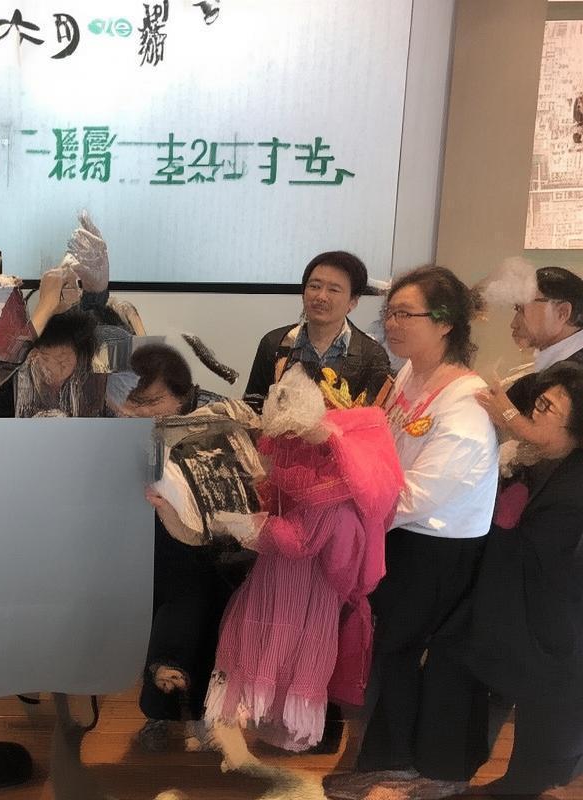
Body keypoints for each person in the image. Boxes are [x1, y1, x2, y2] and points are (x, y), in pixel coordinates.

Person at [324, 266, 499, 799]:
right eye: (390, 313)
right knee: (388, 648)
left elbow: (419, 494)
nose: (392, 324)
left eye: (406, 314)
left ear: (445, 323)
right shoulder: (410, 374)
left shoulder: (464, 405)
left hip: (436, 546)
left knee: (403, 650)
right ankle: (388, 757)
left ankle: (405, 764)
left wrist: (342, 506)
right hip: (397, 531)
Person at [393, 361, 583, 799]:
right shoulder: (538, 460)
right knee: (453, 660)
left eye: (546, 407)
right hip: (508, 604)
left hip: (548, 627)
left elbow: (538, 550)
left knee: (543, 738)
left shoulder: (573, 486)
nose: (532, 413)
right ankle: (448, 772)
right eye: (536, 403)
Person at [202, 369, 402, 754]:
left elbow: (299, 540)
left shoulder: (332, 486)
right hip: (288, 577)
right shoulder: (321, 472)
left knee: (284, 651)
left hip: (303, 581)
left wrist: (246, 524)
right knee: (279, 650)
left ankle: (283, 727)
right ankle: (271, 723)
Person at [132, 344, 260, 752]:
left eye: (154, 401)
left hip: (210, 546)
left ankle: (205, 715)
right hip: (156, 543)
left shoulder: (216, 414)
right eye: (137, 401)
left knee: (207, 627)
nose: (145, 410)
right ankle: (157, 714)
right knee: (162, 628)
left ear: (182, 393)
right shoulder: (128, 423)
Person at [243, 251, 391, 412]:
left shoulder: (372, 356)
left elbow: (372, 420)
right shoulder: (274, 343)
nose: (321, 296)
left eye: (333, 290)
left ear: (353, 301)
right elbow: (252, 408)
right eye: (314, 286)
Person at [478, 267, 583, 443]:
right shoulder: (548, 365)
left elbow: (557, 443)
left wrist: (507, 415)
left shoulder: (576, 376)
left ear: (562, 312)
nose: (513, 323)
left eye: (522, 309)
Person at [13, 310, 106, 418]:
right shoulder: (18, 381)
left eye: (63, 364)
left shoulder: (86, 388)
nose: (55, 370)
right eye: (46, 359)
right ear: (33, 354)